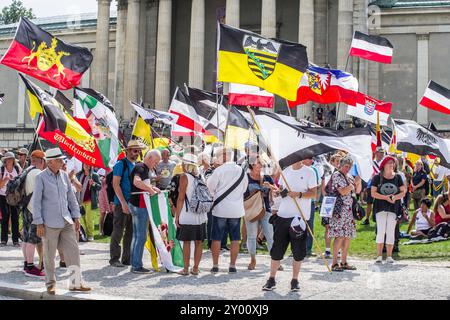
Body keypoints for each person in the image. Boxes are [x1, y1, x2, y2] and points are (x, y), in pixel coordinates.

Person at [32, 148, 91, 294]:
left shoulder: (65, 176)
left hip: (66, 221)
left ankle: (76, 283)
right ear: (50, 162)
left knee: (73, 252)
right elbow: (36, 202)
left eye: (62, 159)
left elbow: (71, 198)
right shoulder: (40, 177)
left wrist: (76, 216)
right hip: (49, 223)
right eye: (59, 159)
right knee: (49, 255)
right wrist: (39, 222)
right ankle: (50, 284)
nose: (62, 162)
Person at [262, 159, 317, 292]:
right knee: (277, 250)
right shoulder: (285, 171)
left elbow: (314, 193)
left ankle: (295, 280)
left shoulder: (309, 172)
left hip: (299, 218)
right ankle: (271, 279)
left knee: (298, 251)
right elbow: (282, 191)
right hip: (283, 215)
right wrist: (276, 192)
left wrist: (299, 194)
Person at [207, 147, 248, 274]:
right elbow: (244, 189)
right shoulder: (241, 170)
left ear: (222, 156)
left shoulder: (219, 171)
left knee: (216, 238)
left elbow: (210, 188)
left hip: (220, 208)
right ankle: (232, 265)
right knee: (235, 238)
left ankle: (215, 265)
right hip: (236, 209)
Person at [110, 140, 145, 267]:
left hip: (133, 203)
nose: (137, 153)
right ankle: (114, 259)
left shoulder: (136, 165)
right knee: (118, 231)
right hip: (121, 203)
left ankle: (127, 258)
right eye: (135, 151)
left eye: (139, 151)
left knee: (130, 232)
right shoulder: (121, 164)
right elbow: (115, 184)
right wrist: (123, 203)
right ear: (128, 151)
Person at [128, 149, 161, 273]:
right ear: (150, 158)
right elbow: (137, 182)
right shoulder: (141, 167)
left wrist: (152, 188)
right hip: (139, 206)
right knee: (140, 236)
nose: (156, 164)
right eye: (156, 162)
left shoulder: (142, 168)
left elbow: (143, 184)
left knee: (137, 235)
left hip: (137, 204)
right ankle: (136, 265)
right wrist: (150, 190)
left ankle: (134, 263)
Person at [175, 153, 208, 276]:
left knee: (187, 242)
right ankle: (195, 268)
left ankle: (185, 269)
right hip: (201, 214)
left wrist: (177, 216)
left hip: (188, 214)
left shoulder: (184, 177)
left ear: (185, 164)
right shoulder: (201, 176)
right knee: (199, 241)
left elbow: (181, 198)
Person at [327, 156, 361, 271]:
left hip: (348, 210)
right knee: (339, 236)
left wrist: (358, 181)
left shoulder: (349, 176)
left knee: (347, 236)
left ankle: (344, 261)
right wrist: (352, 185)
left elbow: (357, 191)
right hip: (339, 210)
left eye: (349, 167)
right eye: (346, 166)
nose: (348, 168)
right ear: (340, 165)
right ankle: (334, 263)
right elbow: (342, 191)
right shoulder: (336, 175)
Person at [371, 156, 406, 264]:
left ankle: (389, 256)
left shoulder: (398, 177)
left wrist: (395, 197)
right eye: (389, 163)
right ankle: (379, 256)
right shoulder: (377, 177)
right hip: (380, 207)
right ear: (384, 165)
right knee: (381, 231)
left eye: (393, 163)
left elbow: (403, 192)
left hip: (393, 208)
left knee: (391, 231)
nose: (391, 165)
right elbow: (373, 193)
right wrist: (385, 197)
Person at [244, 155, 276, 270]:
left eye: (261, 163)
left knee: (270, 236)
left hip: (265, 209)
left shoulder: (267, 177)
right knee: (251, 236)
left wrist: (270, 186)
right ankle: (252, 259)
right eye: (258, 163)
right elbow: (241, 194)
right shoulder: (245, 178)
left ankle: (275, 260)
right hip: (250, 210)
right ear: (252, 165)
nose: (261, 165)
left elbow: (277, 191)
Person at [21, 150, 46, 277]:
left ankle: (26, 264)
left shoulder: (27, 171)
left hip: (25, 207)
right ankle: (30, 267)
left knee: (25, 238)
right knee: (32, 239)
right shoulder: (38, 173)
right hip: (33, 209)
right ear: (41, 161)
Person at [302, 155, 324, 257]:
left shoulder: (314, 169)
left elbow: (318, 184)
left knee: (309, 225)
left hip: (310, 201)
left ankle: (308, 249)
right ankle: (296, 248)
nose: (311, 160)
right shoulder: (298, 169)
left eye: (312, 158)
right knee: (297, 224)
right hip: (299, 201)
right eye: (309, 158)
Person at [322, 153, 341, 259]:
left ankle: (337, 250)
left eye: (339, 161)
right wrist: (328, 200)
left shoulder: (342, 173)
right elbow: (323, 189)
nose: (338, 163)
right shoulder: (327, 172)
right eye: (336, 161)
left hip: (339, 203)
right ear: (332, 162)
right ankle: (328, 250)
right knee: (328, 227)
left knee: (338, 226)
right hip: (329, 201)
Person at [0, 151, 22, 246]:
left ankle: (15, 240)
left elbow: (22, 181)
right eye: (7, 159)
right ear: (5, 160)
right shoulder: (1, 169)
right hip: (3, 196)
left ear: (13, 160)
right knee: (5, 217)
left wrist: (15, 181)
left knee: (15, 217)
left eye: (11, 159)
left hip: (14, 197)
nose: (9, 161)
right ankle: (3, 239)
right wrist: (5, 180)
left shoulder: (17, 169)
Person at [76, 164, 101, 242]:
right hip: (80, 200)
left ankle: (90, 235)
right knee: (82, 219)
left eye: (88, 165)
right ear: (82, 165)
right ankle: (85, 234)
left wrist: (93, 184)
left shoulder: (94, 175)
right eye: (84, 164)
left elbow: (99, 187)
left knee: (89, 218)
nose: (86, 166)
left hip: (90, 200)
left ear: (91, 166)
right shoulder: (79, 174)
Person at [362, 147, 385, 225]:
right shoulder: (371, 163)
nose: (381, 154)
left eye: (382, 153)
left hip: (381, 185)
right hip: (371, 184)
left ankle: (378, 220)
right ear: (376, 153)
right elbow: (367, 174)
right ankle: (367, 219)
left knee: (380, 203)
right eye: (380, 152)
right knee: (369, 203)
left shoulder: (384, 163)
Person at [97, 168, 113, 236]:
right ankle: (100, 230)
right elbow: (98, 182)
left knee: (112, 212)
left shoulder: (112, 169)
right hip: (102, 193)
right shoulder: (100, 170)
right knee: (102, 212)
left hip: (109, 193)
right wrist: (101, 180)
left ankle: (112, 229)